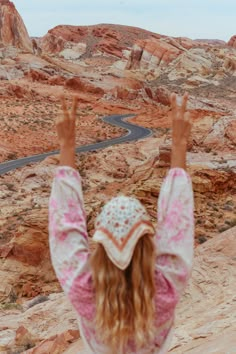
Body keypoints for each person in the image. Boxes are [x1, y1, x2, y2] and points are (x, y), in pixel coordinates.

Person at [48, 93, 194, 354]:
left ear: (100, 246)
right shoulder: (165, 292)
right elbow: (177, 221)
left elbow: (65, 228)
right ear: (149, 242)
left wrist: (66, 145)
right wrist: (179, 145)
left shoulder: (85, 293)